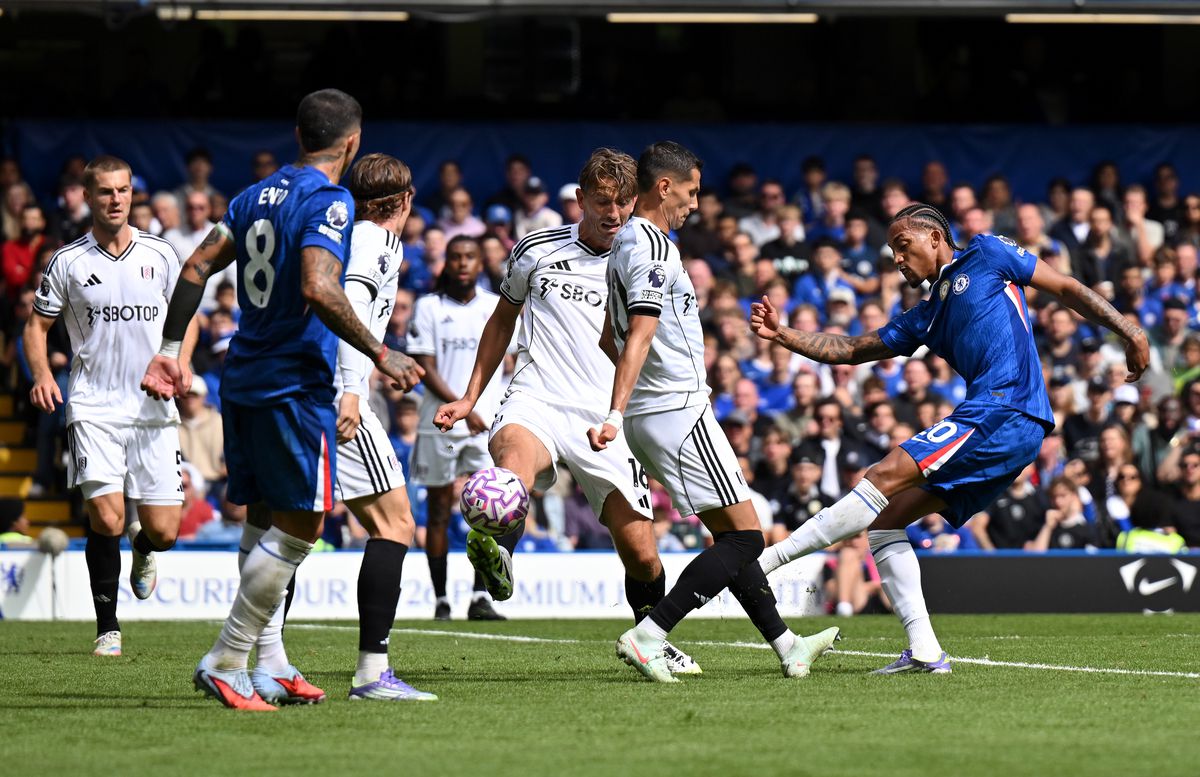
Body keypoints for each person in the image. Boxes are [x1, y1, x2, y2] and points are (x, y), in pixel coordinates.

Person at [751, 202, 1148, 673]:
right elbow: (853, 349)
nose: (897, 259)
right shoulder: (926, 315)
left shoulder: (987, 253)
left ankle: (765, 561)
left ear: (935, 237)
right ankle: (924, 651)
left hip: (1006, 408)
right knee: (885, 523)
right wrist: (784, 335)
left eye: (904, 245)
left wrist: (1128, 328)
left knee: (883, 475)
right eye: (892, 251)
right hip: (1006, 427)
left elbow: (1064, 286)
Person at [141, 89, 424, 711]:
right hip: (293, 381)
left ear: (298, 136)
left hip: (241, 374)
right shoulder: (331, 201)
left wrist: (170, 348)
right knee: (304, 524)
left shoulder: (251, 196)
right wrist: (382, 354)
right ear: (352, 143)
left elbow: (195, 267)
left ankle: (267, 664)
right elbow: (321, 286)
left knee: (265, 515)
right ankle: (227, 655)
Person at [434, 148, 702, 675]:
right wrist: (470, 397)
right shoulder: (536, 249)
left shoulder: (647, 258)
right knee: (510, 467)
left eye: (624, 202)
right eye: (602, 201)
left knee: (643, 555)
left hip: (605, 415)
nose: (614, 213)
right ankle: (498, 550)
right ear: (580, 200)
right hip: (537, 396)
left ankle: (650, 638)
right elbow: (500, 323)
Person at [588, 141, 839, 683]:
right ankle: (649, 635)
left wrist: (628, 408)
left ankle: (788, 644)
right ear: (664, 187)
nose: (696, 204)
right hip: (676, 412)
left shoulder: (624, 246)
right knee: (748, 536)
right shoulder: (653, 248)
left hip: (659, 413)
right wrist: (616, 409)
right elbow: (639, 333)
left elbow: (611, 337)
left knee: (733, 533)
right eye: (691, 192)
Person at [27, 155, 194, 657]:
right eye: (105, 192)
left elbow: (190, 320)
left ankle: (145, 550)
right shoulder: (68, 262)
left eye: (123, 191)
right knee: (106, 517)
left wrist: (178, 363)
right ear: (87, 196)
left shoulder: (162, 254)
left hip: (153, 409)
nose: (116, 199)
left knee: (164, 532)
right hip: (94, 405)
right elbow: (36, 327)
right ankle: (107, 626)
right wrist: (40, 374)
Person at [329, 152, 437, 701]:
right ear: (406, 200)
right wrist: (353, 388)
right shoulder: (375, 242)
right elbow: (350, 305)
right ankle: (372, 673)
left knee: (288, 530)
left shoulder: (347, 230)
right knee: (395, 525)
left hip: (306, 388)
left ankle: (256, 660)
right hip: (338, 393)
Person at [408, 235, 507, 622]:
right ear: (445, 263)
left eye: (470, 256)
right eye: (456, 257)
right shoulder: (428, 307)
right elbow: (424, 369)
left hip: (486, 425)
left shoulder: (495, 307)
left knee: (490, 510)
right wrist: (464, 407)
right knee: (436, 511)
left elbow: (509, 362)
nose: (463, 263)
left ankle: (480, 596)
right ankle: (440, 600)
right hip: (441, 423)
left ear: (480, 263)